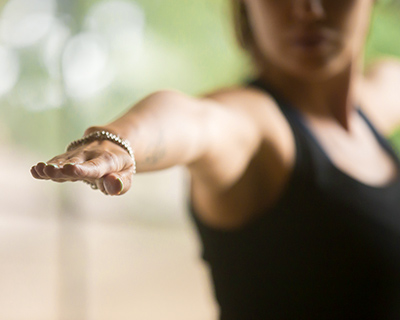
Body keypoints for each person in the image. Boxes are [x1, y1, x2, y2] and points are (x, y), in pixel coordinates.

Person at [31, 0, 400, 318]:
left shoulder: (374, 101)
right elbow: (194, 121)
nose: (307, 9)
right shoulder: (256, 125)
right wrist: (121, 140)